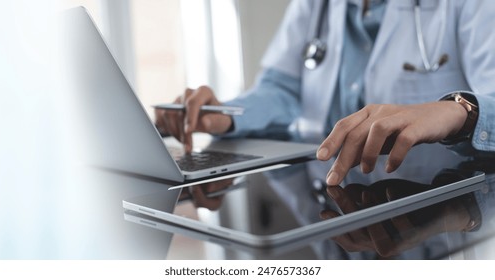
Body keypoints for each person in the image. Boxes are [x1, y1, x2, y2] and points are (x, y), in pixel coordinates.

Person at [155, 0, 495, 257]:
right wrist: (227, 115)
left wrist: (457, 111)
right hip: (334, 200)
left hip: (437, 208)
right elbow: (282, 87)